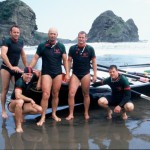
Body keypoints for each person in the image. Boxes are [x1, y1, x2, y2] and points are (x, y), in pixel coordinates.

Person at [29, 27, 69, 126]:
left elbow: (65, 60)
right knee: (46, 94)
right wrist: (28, 69)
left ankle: (54, 114)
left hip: (58, 73)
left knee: (55, 94)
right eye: (51, 34)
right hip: (46, 73)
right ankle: (43, 116)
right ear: (48, 34)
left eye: (54, 34)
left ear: (57, 35)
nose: (52, 35)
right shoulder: (42, 46)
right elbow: (35, 58)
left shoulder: (61, 46)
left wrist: (67, 73)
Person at [66, 31, 97, 120]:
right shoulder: (72, 48)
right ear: (77, 38)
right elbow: (69, 61)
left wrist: (95, 75)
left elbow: (94, 62)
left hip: (86, 74)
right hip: (75, 74)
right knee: (71, 94)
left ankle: (86, 113)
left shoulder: (90, 49)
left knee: (86, 94)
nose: (81, 39)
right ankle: (71, 114)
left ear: (86, 38)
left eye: (83, 37)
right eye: (79, 37)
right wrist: (67, 73)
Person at [1, 25, 27, 119]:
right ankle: (3, 110)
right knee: (5, 89)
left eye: (18, 32)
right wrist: (10, 67)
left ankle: (15, 108)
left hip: (15, 68)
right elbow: (3, 54)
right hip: (6, 68)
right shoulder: (7, 41)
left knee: (18, 88)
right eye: (14, 32)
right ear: (10, 33)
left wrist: (26, 67)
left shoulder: (20, 42)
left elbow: (23, 55)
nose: (16, 34)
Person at [8, 67, 42, 133]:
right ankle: (18, 125)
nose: (29, 76)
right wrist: (30, 99)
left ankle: (20, 114)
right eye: (27, 74)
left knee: (40, 110)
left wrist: (39, 82)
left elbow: (40, 72)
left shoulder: (32, 77)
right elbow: (18, 96)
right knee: (20, 101)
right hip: (13, 104)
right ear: (23, 74)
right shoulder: (19, 82)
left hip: (24, 104)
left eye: (30, 74)